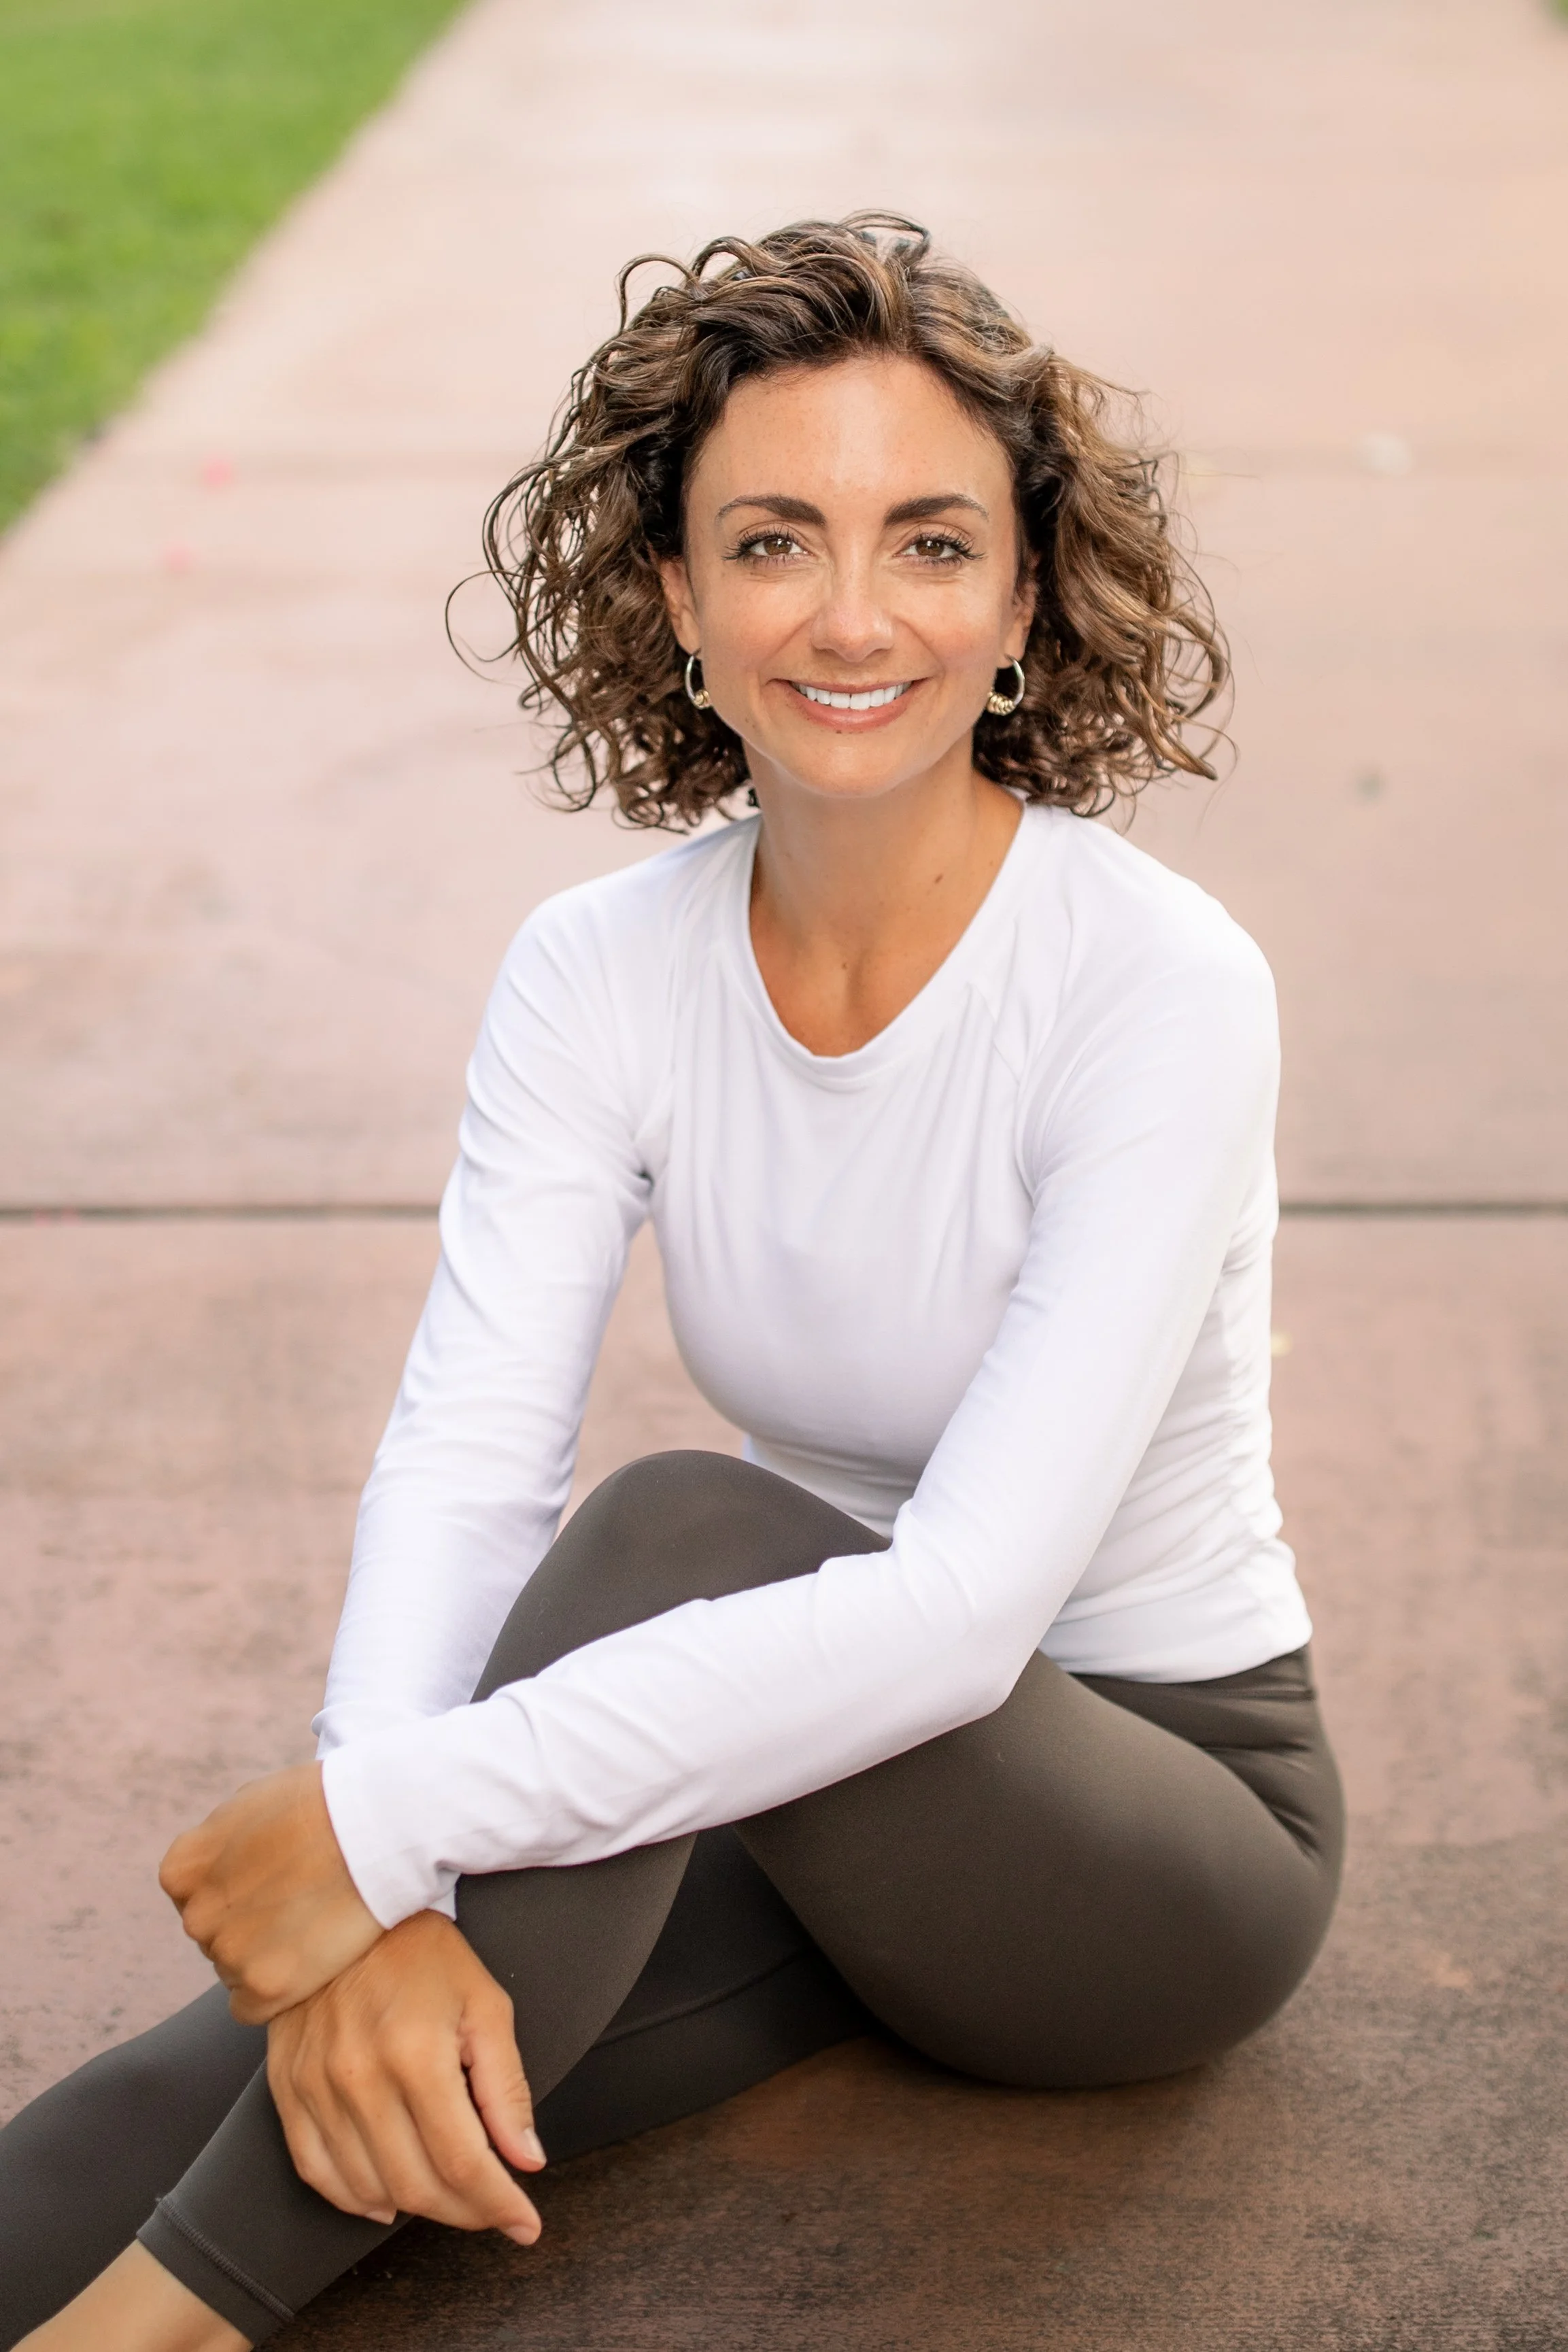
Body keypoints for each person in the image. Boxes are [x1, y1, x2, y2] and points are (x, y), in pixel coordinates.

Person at [0, 215, 1343, 2351]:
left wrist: (380, 1818)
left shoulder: (1156, 986)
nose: (847, 613)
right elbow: (465, 1450)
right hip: (789, 1767)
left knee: (685, 1527)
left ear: (1019, 600)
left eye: (926, 543)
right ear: (676, 599)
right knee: (294, 2068)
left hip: (1144, 1840)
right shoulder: (599, 969)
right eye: (772, 540)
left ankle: (144, 2335)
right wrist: (386, 1901)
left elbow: (968, 1604)